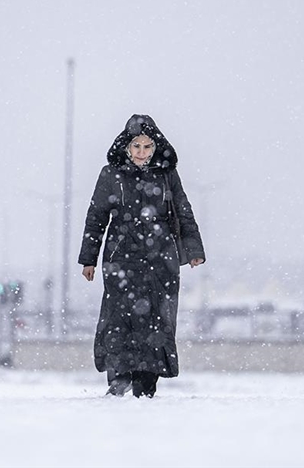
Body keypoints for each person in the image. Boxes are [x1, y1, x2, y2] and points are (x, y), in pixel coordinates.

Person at [79, 114, 206, 398]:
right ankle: (119, 378)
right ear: (126, 146)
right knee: (119, 319)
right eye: (136, 146)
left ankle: (147, 383)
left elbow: (183, 211)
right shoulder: (110, 175)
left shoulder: (166, 174)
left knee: (156, 321)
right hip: (120, 256)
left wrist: (193, 250)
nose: (142, 153)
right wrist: (89, 258)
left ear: (155, 147)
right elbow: (96, 217)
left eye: (147, 147)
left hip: (160, 258)